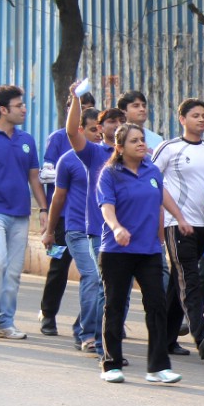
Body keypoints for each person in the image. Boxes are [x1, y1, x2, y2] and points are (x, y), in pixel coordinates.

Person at [97, 123, 192, 384]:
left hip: (149, 249)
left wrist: (180, 218)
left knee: (157, 306)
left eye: (142, 139)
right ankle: (111, 364)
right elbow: (106, 207)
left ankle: (158, 367)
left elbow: (162, 194)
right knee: (115, 306)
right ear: (120, 147)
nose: (141, 144)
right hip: (117, 250)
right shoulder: (110, 174)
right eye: (134, 141)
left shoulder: (151, 169)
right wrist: (116, 228)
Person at [152, 99, 204, 360]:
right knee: (189, 278)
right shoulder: (170, 148)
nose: (201, 120)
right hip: (177, 224)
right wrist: (171, 216)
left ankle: (166, 339)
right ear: (182, 119)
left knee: (177, 282)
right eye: (195, 116)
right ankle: (202, 333)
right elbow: (152, 180)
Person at [41, 107, 105, 352]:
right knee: (63, 268)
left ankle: (86, 327)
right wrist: (49, 229)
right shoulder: (67, 158)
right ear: (80, 130)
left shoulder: (109, 157)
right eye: (92, 129)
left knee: (99, 279)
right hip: (71, 227)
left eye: (99, 128)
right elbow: (58, 198)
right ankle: (50, 314)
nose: (98, 134)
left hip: (102, 230)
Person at [0, 85, 48, 341]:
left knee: (13, 270)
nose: (24, 109)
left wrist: (44, 209)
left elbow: (34, 178)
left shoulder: (27, 140)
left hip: (20, 214)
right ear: (3, 110)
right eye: (19, 106)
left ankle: (6, 322)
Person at [66, 102, 123, 358]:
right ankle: (96, 341)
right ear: (101, 128)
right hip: (98, 232)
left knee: (117, 291)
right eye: (112, 121)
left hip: (128, 234)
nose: (117, 125)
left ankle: (108, 340)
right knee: (101, 285)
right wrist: (76, 101)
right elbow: (71, 132)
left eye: (121, 121)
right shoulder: (92, 154)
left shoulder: (135, 157)